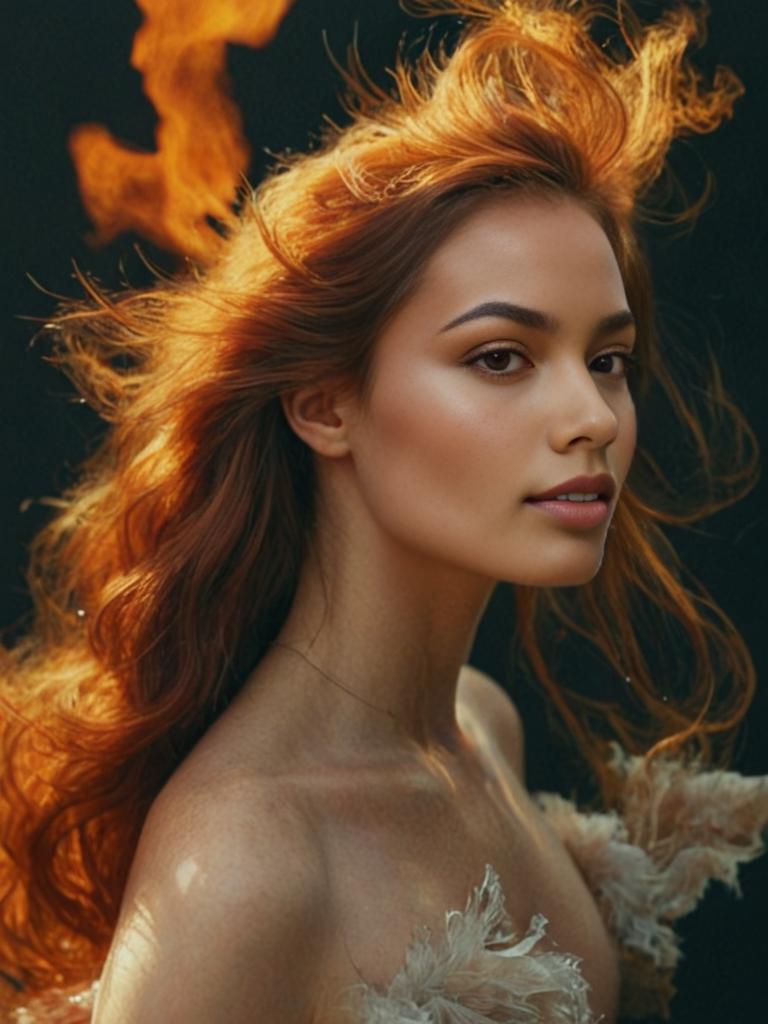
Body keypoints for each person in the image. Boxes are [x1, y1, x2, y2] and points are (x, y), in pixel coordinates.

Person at [1, 1, 766, 1021]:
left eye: (608, 360)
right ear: (326, 404)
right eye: (501, 356)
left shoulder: (482, 728)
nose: (592, 416)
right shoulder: (244, 863)